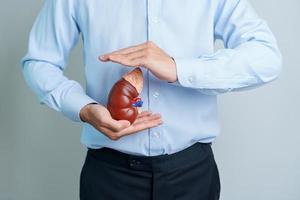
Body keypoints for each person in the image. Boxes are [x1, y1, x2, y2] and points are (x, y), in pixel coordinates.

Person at [21, 0, 282, 199]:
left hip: (193, 176)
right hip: (109, 177)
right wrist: (84, 109)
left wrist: (178, 69)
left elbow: (266, 56)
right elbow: (39, 62)